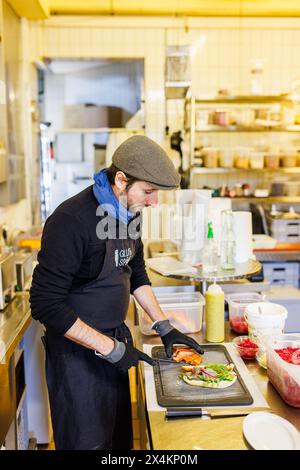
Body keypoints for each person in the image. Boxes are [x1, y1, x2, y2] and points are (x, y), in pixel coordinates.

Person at [30, 135, 203, 450]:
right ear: (121, 180)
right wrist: (108, 348)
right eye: (149, 192)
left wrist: (163, 326)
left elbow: (135, 272)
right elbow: (45, 303)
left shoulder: (128, 213)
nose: (153, 202)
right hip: (76, 357)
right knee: (89, 443)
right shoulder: (71, 221)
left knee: (118, 440)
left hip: (115, 343)